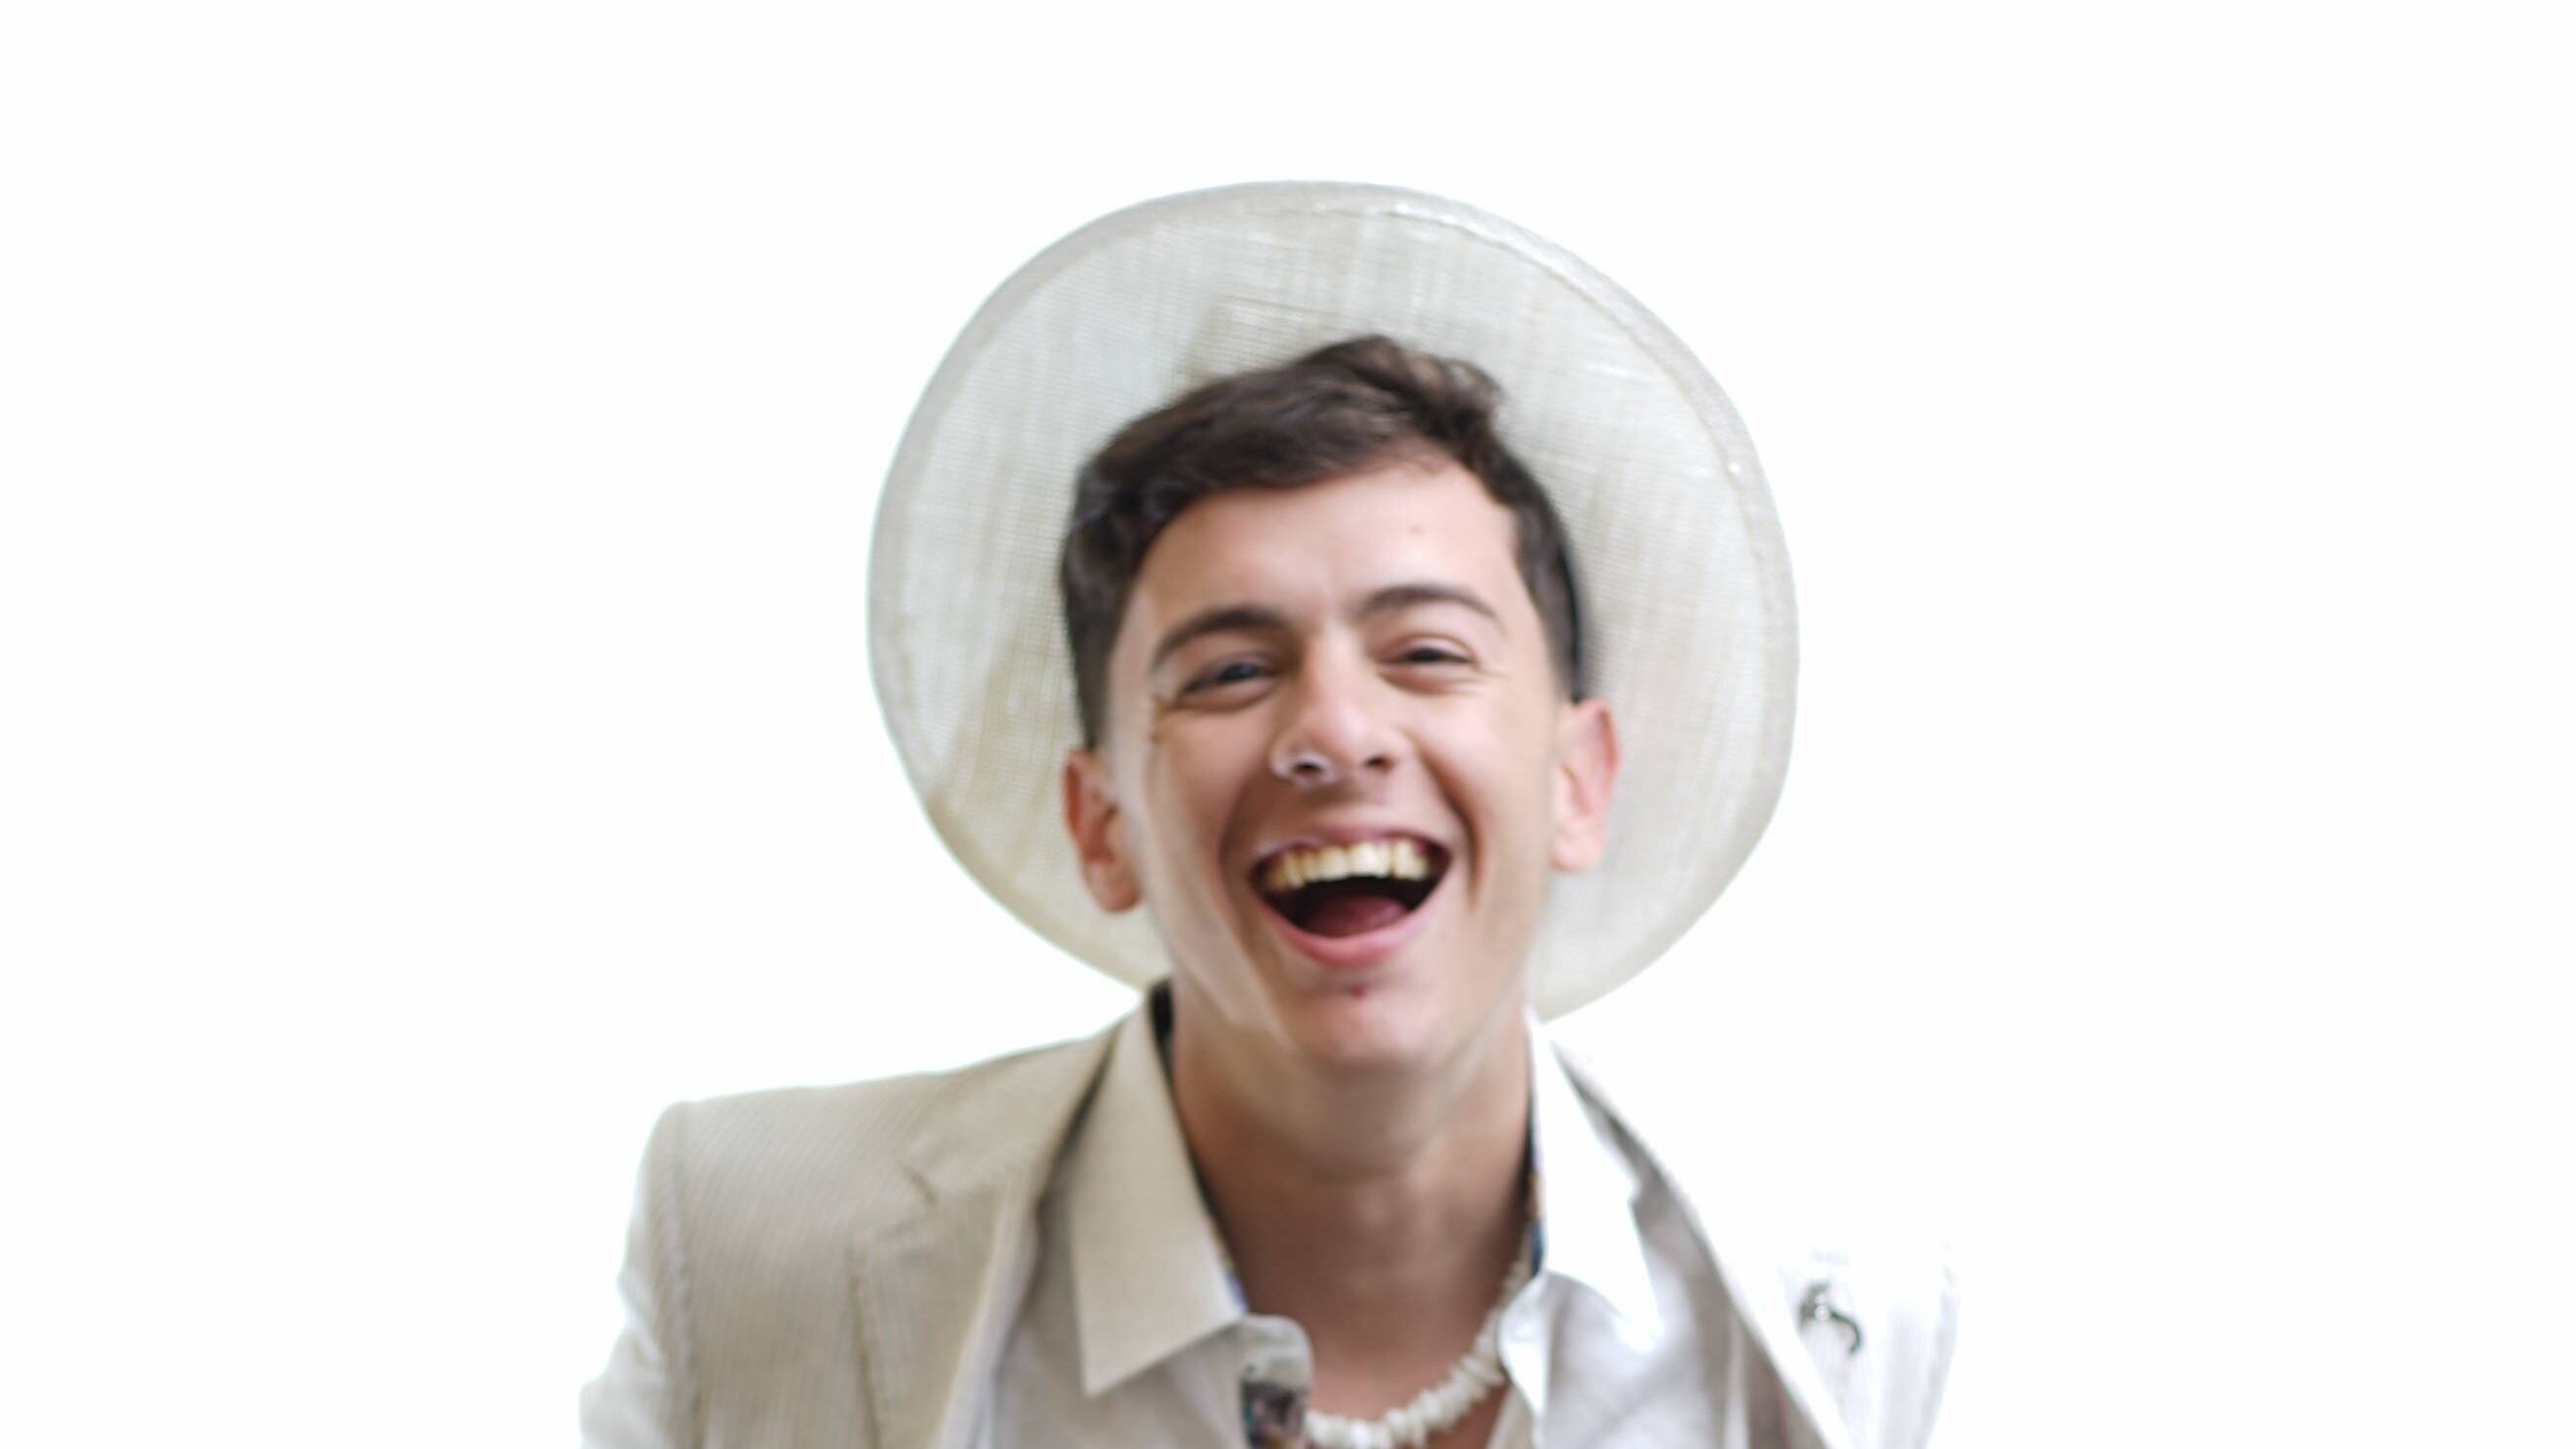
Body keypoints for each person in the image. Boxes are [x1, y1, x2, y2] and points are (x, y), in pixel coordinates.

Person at [582, 184, 1957, 1449]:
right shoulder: (755, 1250)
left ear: (1576, 780)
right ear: (1101, 823)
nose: (1337, 733)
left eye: (1427, 652)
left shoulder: (1849, 1312)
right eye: (1232, 671)